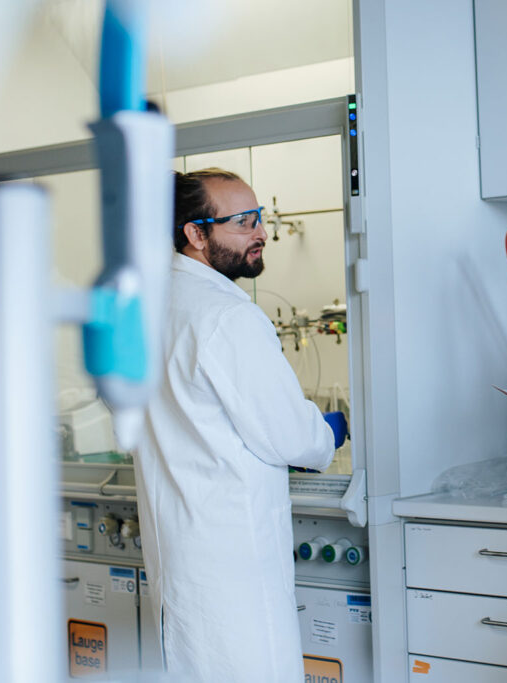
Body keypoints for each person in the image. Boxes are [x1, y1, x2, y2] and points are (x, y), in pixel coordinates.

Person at [134, 168, 348, 682]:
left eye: (261, 218)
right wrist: (333, 430)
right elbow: (297, 441)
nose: (261, 233)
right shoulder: (228, 317)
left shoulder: (150, 307)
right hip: (234, 567)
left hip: (180, 560)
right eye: (244, 222)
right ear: (196, 234)